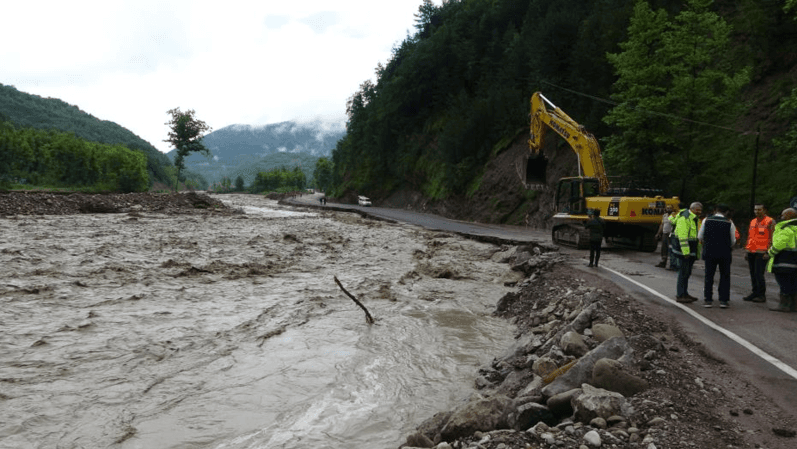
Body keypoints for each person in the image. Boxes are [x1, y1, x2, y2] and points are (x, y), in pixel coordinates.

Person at [698, 204, 737, 308]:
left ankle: (708, 300)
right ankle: (723, 300)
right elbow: (733, 240)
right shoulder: (729, 222)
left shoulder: (707, 220)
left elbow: (700, 236)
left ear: (715, 210)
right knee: (725, 276)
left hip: (710, 251)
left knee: (709, 276)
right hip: (724, 252)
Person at [766, 208, 797, 312]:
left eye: (783, 215)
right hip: (794, 260)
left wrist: (769, 253)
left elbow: (779, 244)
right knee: (793, 282)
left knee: (783, 283)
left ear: (788, 216)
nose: (781, 217)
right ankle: (794, 305)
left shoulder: (785, 228)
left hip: (783, 259)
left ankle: (784, 305)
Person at [743, 203, 775, 303]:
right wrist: (747, 250)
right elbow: (750, 237)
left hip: (762, 252)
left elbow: (773, 237)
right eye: (755, 210)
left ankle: (761, 295)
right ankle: (754, 292)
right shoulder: (753, 221)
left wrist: (768, 252)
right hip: (751, 251)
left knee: (759, 274)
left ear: (764, 210)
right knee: (752, 273)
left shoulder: (770, 221)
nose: (757, 211)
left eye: (759, 210)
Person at [671, 202, 703, 303]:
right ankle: (680, 295)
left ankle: (684, 293)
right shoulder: (685, 218)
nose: (700, 212)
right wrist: (685, 252)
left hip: (691, 249)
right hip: (684, 251)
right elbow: (682, 235)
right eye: (698, 210)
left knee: (687, 273)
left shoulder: (695, 218)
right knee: (683, 273)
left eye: (701, 210)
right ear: (692, 209)